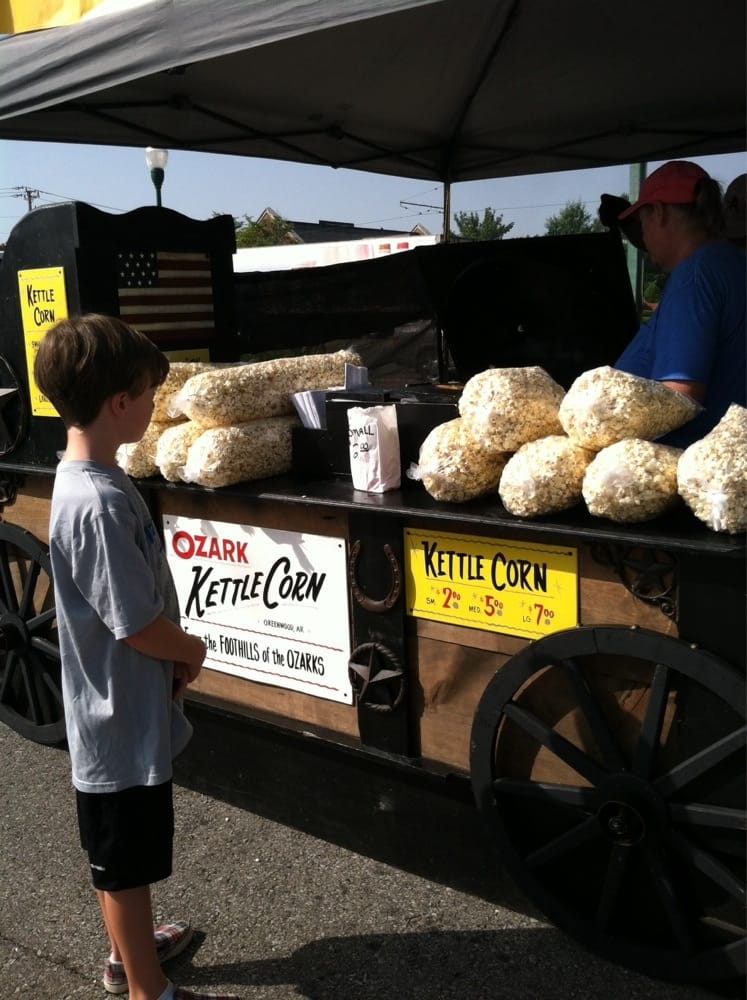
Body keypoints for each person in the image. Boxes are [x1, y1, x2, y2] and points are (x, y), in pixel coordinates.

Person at [33, 315, 240, 1000]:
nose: (154, 405)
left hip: (116, 708)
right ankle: (148, 989)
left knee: (118, 857)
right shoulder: (96, 503)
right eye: (149, 394)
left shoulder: (91, 478)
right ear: (120, 402)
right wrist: (191, 650)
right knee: (123, 864)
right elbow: (137, 626)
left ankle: (131, 952)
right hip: (116, 721)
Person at [612, 160, 746, 448]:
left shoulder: (695, 276)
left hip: (689, 459)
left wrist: (599, 423)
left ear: (658, 212)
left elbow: (679, 395)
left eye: (642, 223)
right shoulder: (732, 264)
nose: (643, 237)